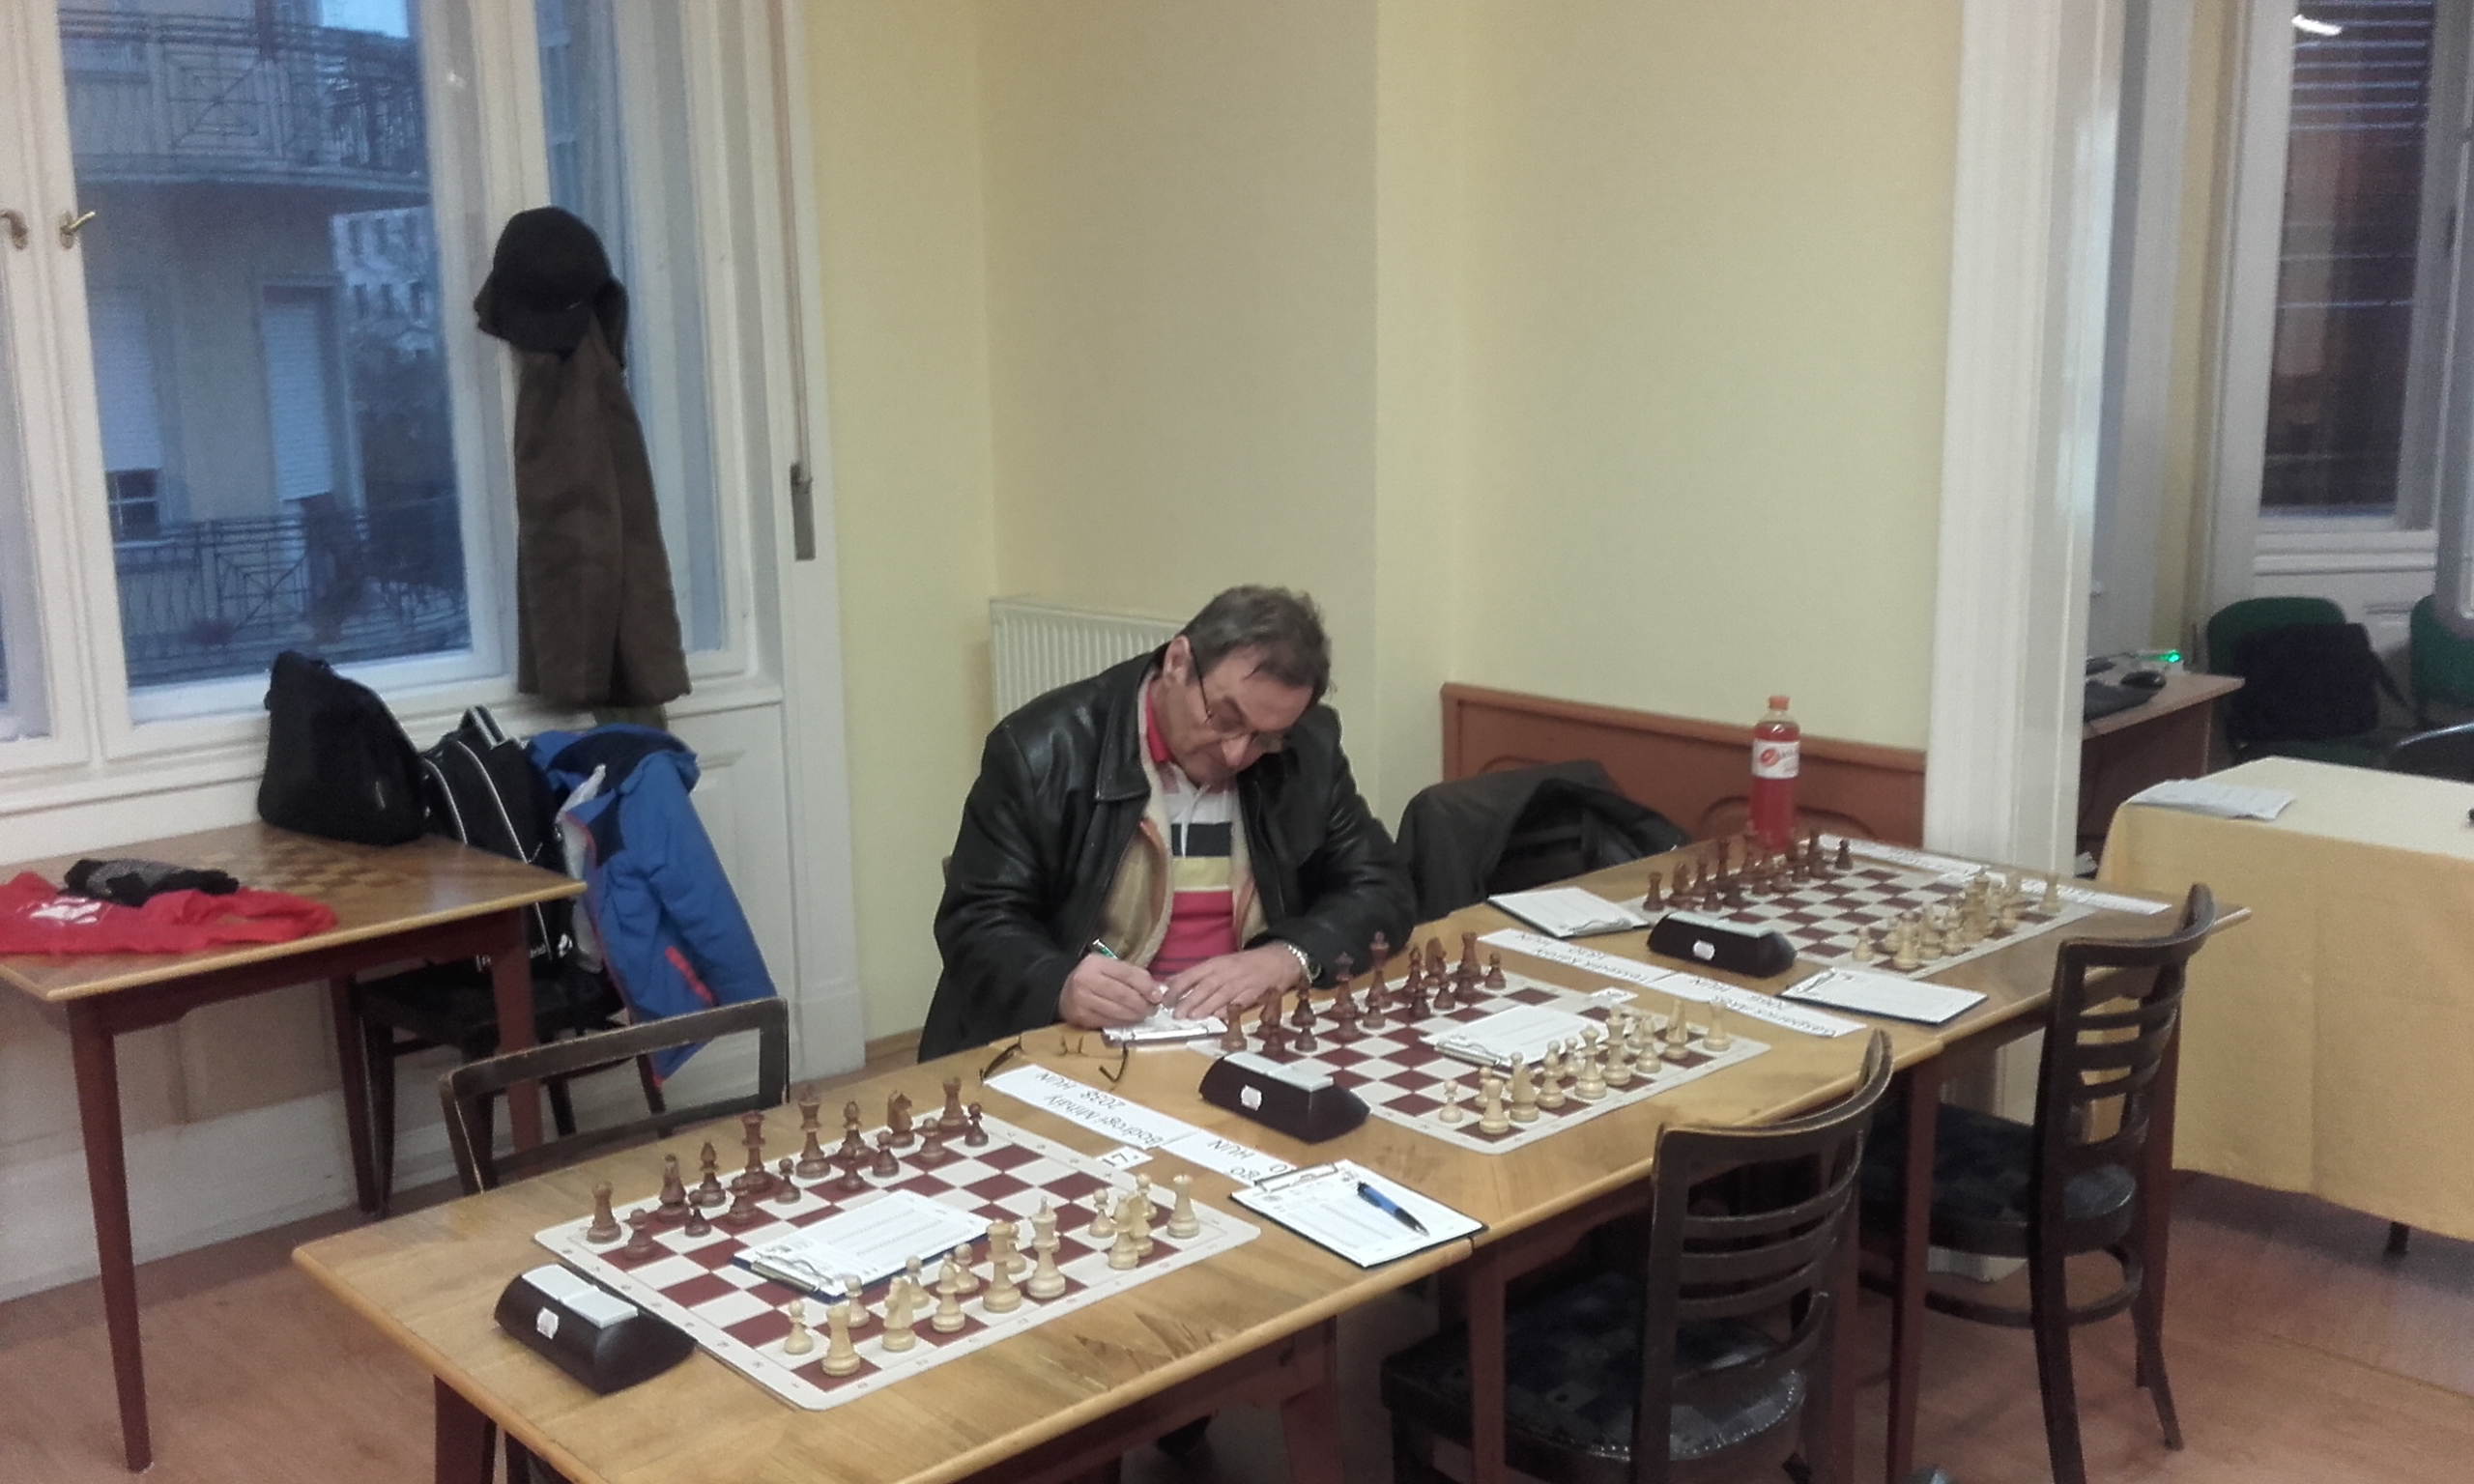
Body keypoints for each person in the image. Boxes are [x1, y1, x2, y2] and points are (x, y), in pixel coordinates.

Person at [920, 585, 1414, 1060]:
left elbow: (1381, 886)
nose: (1236, 754)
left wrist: (1288, 956)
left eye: (1266, 738)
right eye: (1225, 719)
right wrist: (1060, 983)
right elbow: (976, 921)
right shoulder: (1042, 749)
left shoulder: (1307, 748)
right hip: (1087, 1042)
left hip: (1246, 1030)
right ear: (1177, 662)